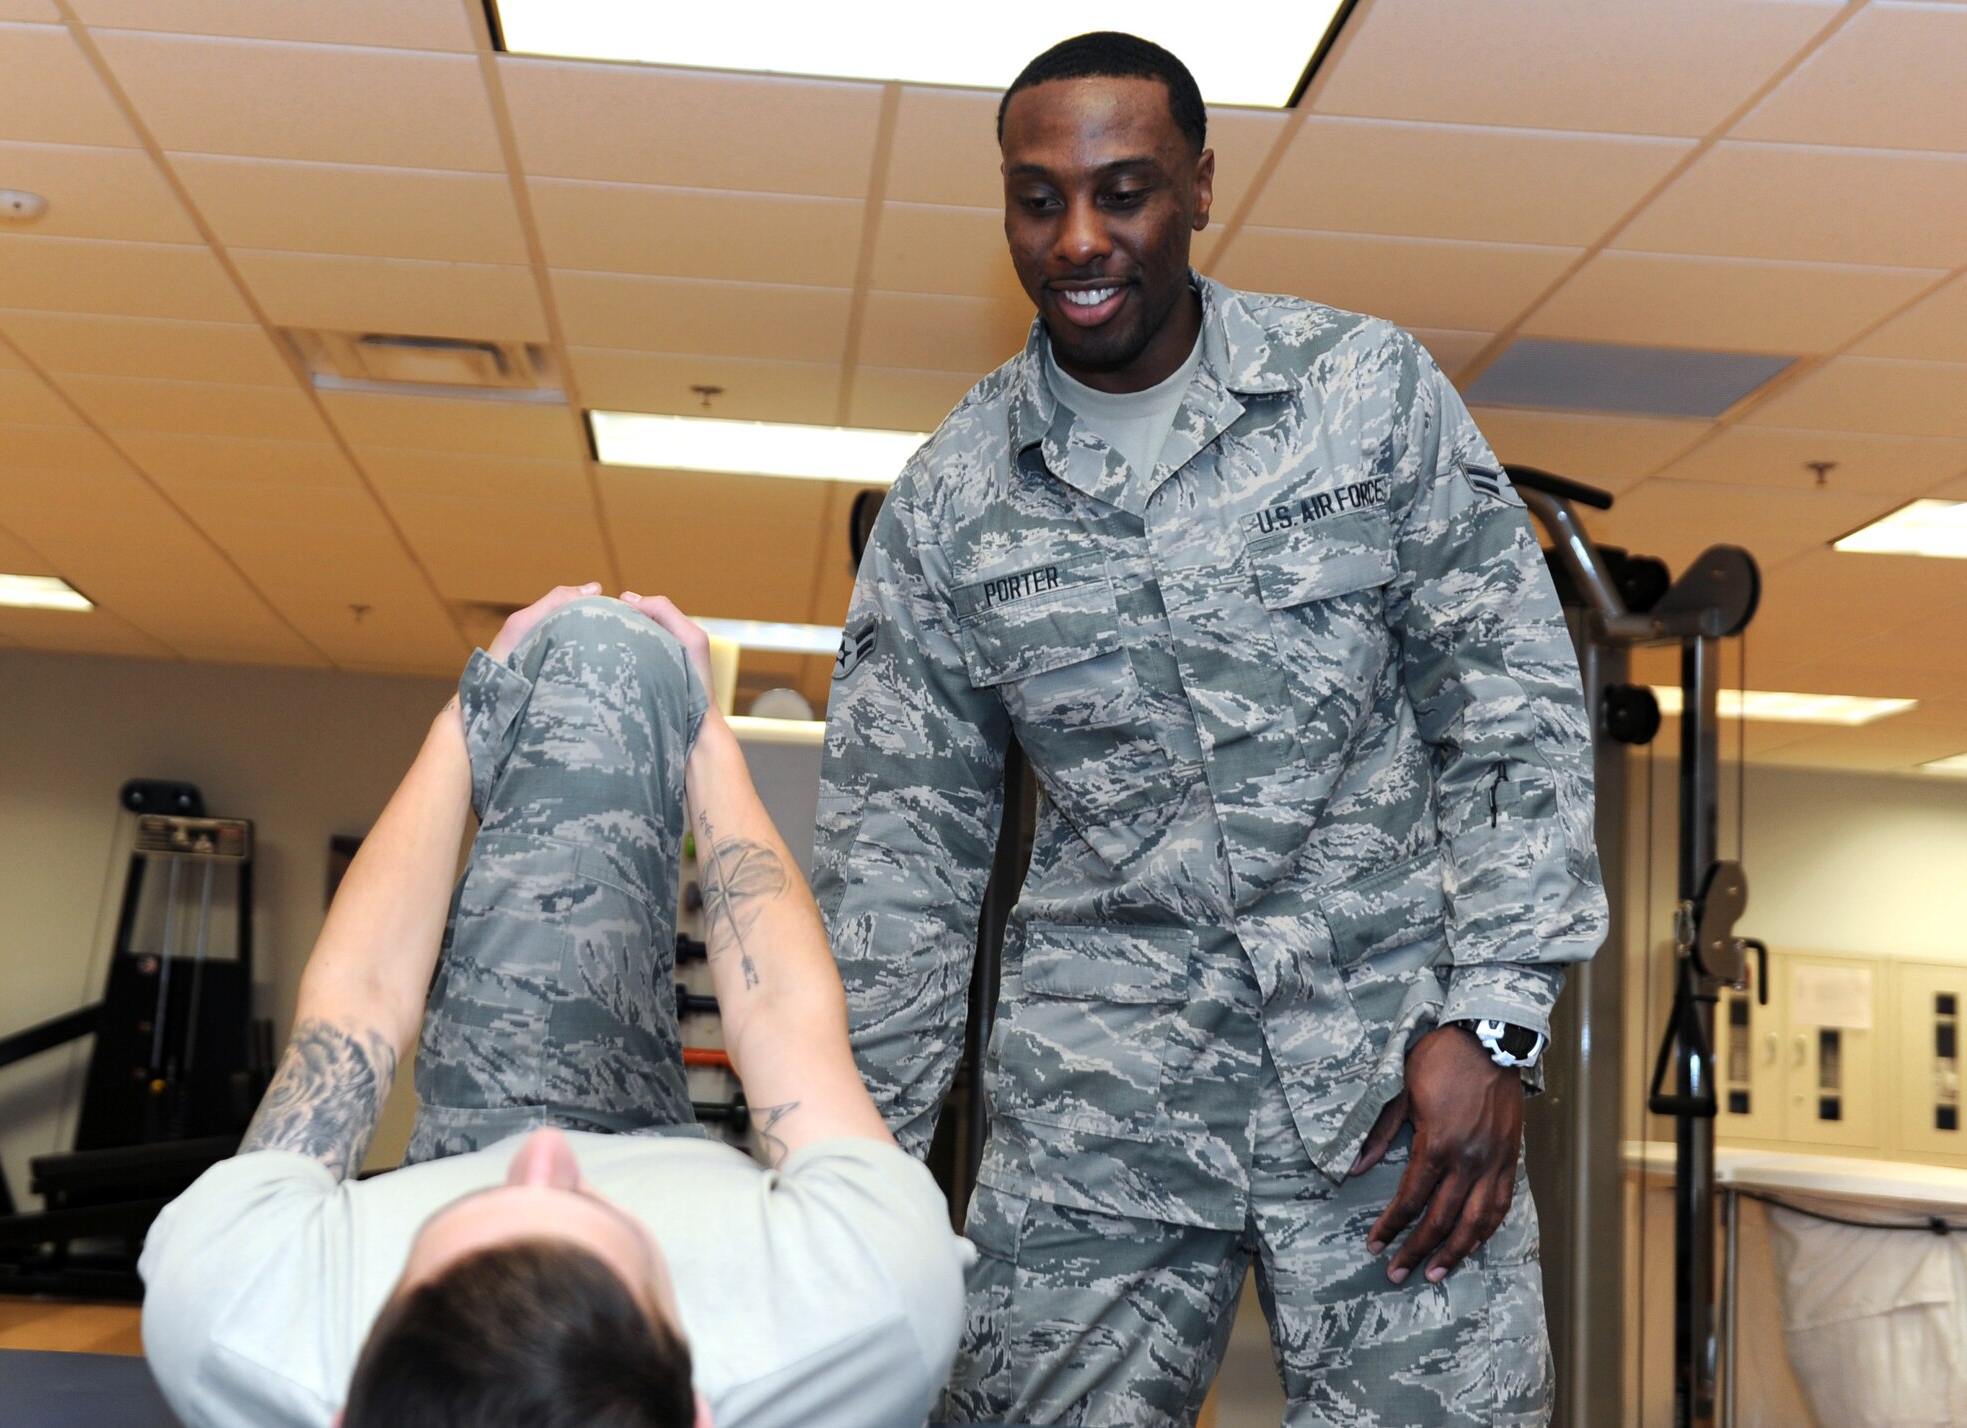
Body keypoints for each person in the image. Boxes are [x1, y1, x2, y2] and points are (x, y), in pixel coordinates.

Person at [813, 31, 1608, 1428]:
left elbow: (1513, 709)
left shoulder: (1364, 394)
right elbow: (898, 869)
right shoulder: (951, 501)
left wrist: (1496, 1024)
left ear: (1198, 188)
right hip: (1098, 1118)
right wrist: (850, 1173)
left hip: (1398, 1096)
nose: (1077, 238)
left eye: (1123, 190)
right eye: (1036, 197)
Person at [140, 585, 968, 1428]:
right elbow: (781, 1014)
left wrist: (468, 720)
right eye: (579, 1214)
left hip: (478, 1111)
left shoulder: (240, 1313)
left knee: (588, 644)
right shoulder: (865, 1306)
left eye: (487, 1237)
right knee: (629, 653)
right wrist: (703, 733)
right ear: (703, 1408)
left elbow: (362, 1005)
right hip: (693, 1169)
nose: (542, 1160)